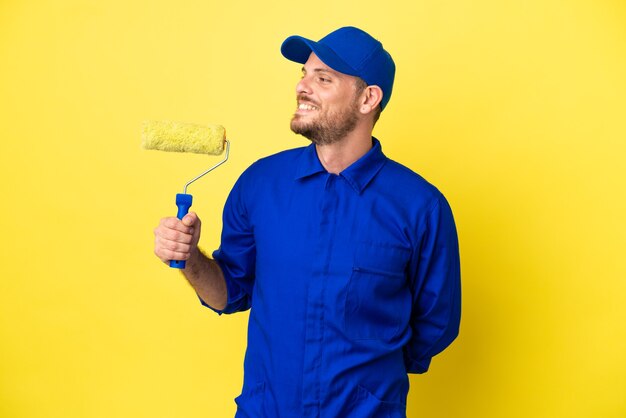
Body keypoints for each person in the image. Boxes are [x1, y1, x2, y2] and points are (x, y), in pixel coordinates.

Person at [154, 26, 461, 418]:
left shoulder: (420, 206)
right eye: (303, 73)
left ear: (368, 98)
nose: (303, 87)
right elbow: (228, 293)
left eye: (323, 78)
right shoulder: (259, 184)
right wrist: (190, 258)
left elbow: (435, 325)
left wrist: (372, 383)